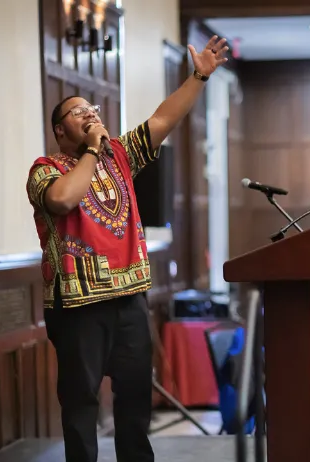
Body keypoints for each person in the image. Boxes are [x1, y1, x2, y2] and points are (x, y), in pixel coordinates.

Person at [25, 36, 229, 462]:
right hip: (78, 306)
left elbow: (163, 119)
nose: (91, 113)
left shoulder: (119, 155)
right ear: (60, 129)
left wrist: (200, 76)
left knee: (136, 398)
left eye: (92, 109)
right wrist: (94, 149)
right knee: (81, 403)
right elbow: (64, 200)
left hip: (130, 298)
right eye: (79, 111)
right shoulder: (46, 169)